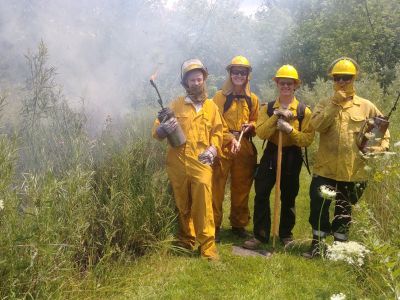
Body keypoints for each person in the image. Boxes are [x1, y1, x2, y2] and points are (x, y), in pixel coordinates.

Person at [302, 57, 390, 258]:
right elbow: (317, 126)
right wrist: (334, 105)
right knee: (319, 207)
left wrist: (378, 149)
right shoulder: (324, 103)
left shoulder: (367, 106)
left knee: (344, 211)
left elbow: (383, 130)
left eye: (346, 78)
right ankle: (317, 246)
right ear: (333, 80)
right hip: (325, 169)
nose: (341, 82)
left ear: (354, 79)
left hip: (352, 171)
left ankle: (339, 250)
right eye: (337, 78)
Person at [152, 58, 224, 260]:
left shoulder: (211, 107)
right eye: (192, 80)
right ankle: (186, 241)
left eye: (199, 79)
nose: (196, 83)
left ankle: (208, 248)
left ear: (204, 80)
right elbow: (157, 132)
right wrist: (162, 129)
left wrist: (213, 149)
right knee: (182, 204)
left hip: (201, 161)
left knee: (203, 205)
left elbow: (218, 132)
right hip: (177, 163)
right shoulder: (175, 105)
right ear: (185, 83)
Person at [243, 65, 314, 249]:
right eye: (282, 83)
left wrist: (290, 130)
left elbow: (307, 139)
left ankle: (285, 235)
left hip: (292, 155)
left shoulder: (303, 111)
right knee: (261, 193)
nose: (286, 86)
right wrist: (276, 118)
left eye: (289, 83)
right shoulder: (267, 109)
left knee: (289, 196)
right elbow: (261, 133)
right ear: (277, 84)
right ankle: (260, 235)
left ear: (295, 85)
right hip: (272, 153)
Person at [212, 56, 259, 241]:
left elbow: (256, 119)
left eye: (243, 72)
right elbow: (214, 122)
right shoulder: (219, 97)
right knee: (217, 187)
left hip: (244, 148)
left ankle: (238, 225)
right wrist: (230, 138)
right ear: (229, 73)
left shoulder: (253, 99)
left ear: (248, 75)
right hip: (223, 146)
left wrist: (252, 126)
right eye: (235, 72)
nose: (239, 75)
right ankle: (213, 225)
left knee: (242, 188)